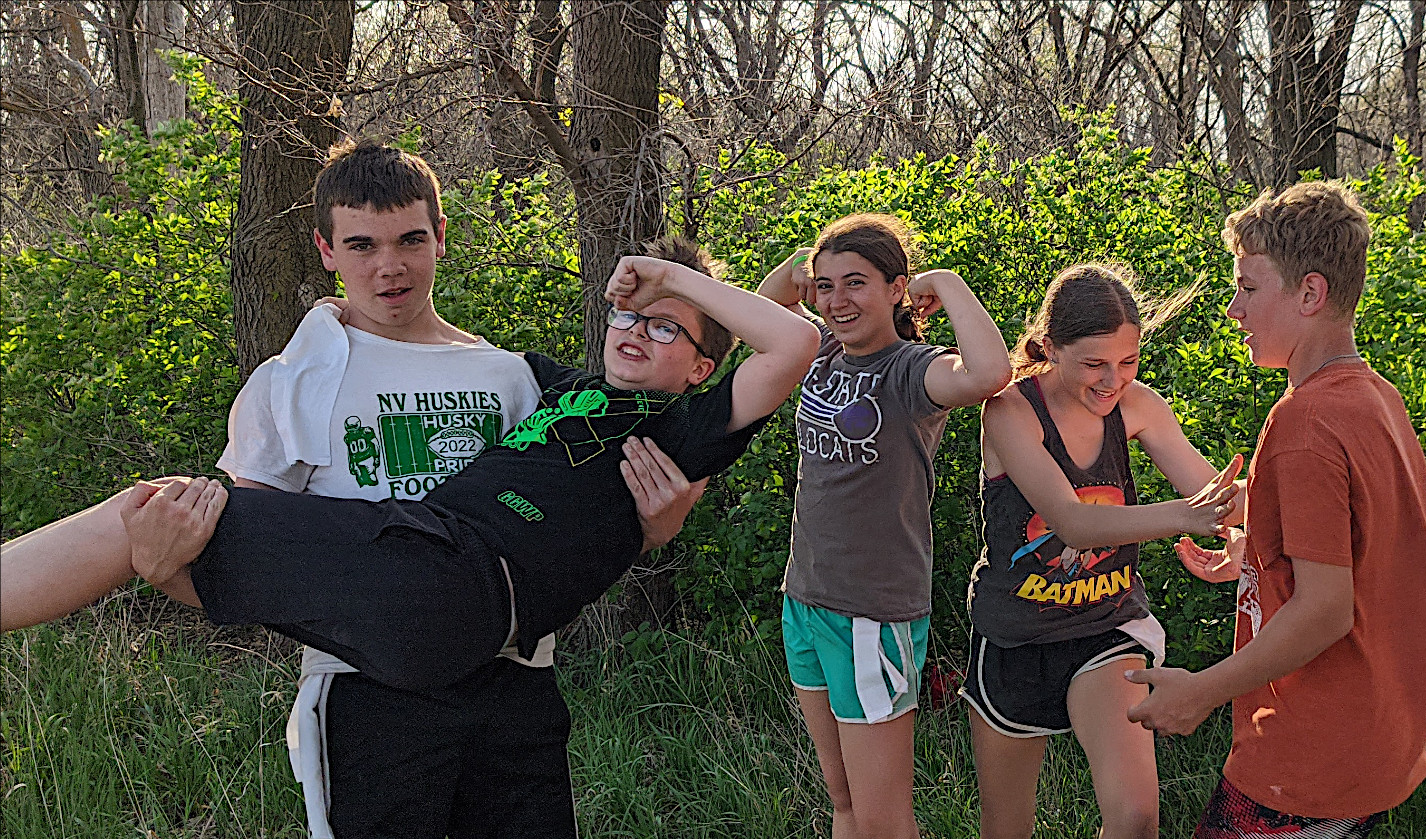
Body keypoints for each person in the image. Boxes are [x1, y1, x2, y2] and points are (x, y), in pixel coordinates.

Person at [226, 140, 704, 839]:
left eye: (409, 240)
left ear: (441, 236)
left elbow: (583, 521)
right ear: (324, 249)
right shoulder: (291, 381)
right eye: (361, 246)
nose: (388, 268)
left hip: (513, 683)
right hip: (371, 695)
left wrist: (657, 526)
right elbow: (253, 543)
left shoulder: (511, 378)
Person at [1, 251, 819, 705]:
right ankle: (170, 571)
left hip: (460, 579)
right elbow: (443, 343)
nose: (637, 329)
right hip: (419, 587)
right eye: (628, 315)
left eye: (664, 329)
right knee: (167, 524)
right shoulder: (556, 385)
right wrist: (780, 278)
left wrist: (670, 277)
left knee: (151, 512)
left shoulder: (678, 431)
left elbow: (791, 343)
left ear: (701, 370)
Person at [1126, 182, 1426, 839]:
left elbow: (1326, 612)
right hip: (1376, 735)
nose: (1233, 308)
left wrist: (1202, 690)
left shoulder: (1306, 422)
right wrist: (1248, 556)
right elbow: (1349, 557)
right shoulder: (1368, 396)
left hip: (1309, 752)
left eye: (1246, 286)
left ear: (1310, 293)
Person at [751, 214, 1013, 839]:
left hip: (873, 622)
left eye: (856, 283)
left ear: (897, 290)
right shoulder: (819, 354)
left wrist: (950, 284)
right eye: (826, 287)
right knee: (843, 799)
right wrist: (798, 271)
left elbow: (989, 372)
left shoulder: (909, 371)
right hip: (806, 603)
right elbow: (756, 323)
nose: (836, 301)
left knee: (887, 828)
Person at [956, 263, 1240, 839]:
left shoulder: (1139, 407)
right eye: (1094, 364)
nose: (1113, 382)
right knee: (1005, 834)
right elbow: (1076, 521)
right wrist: (1189, 518)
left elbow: (1216, 494)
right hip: (1015, 640)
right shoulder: (1009, 411)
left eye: (1128, 361)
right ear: (1049, 349)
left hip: (1103, 632)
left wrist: (1239, 538)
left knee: (1137, 810)